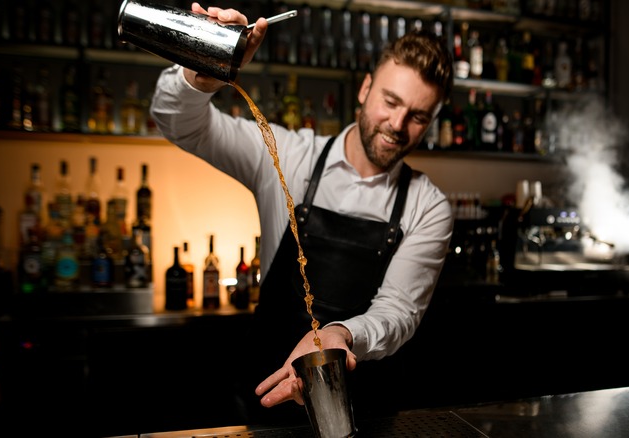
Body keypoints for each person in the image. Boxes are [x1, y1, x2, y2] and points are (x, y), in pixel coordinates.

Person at [150, 3, 454, 426]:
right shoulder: (289, 155)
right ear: (365, 89)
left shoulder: (429, 205)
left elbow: (399, 310)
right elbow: (177, 121)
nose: (397, 125)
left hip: (366, 411)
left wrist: (339, 334)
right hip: (266, 401)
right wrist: (204, 70)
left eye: (418, 116)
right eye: (390, 101)